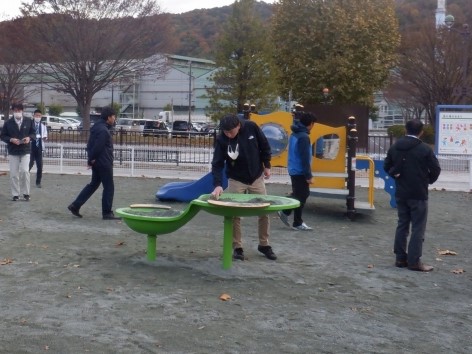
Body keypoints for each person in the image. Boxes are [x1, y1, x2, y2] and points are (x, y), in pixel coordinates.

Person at [211, 113, 276, 261]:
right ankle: (237, 247)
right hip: (236, 179)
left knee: (264, 210)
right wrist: (218, 185)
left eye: (231, 132)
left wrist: (267, 165)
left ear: (238, 126)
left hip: (256, 177)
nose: (228, 134)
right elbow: (217, 163)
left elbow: (264, 145)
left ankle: (264, 244)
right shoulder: (222, 139)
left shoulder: (251, 127)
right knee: (234, 213)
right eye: (225, 132)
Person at [383, 119, 441, 272]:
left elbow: (386, 166)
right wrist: (427, 180)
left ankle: (400, 258)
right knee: (418, 227)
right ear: (421, 132)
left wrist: (395, 175)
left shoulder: (395, 146)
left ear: (405, 130)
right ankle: (414, 261)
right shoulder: (424, 149)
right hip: (418, 192)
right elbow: (435, 169)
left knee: (402, 224)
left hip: (401, 190)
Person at [67, 107, 120, 220]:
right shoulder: (104, 130)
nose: (114, 119)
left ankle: (75, 205)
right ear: (109, 117)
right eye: (114, 116)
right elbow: (98, 147)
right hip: (104, 162)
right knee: (109, 187)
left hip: (97, 162)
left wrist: (90, 160)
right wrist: (92, 158)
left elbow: (90, 145)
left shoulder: (96, 127)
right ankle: (107, 213)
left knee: (93, 184)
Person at [278, 112, 317, 231]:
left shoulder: (295, 134)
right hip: (299, 170)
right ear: (310, 124)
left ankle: (291, 215)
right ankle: (291, 217)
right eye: (313, 124)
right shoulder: (304, 137)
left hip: (294, 168)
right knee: (302, 195)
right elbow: (304, 157)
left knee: (300, 194)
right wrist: (308, 175)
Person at [0, 103, 36, 201]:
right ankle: (15, 194)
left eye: (19, 110)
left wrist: (29, 138)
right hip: (13, 150)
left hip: (25, 150)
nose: (17, 112)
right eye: (15, 110)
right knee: (14, 174)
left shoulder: (29, 121)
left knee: (25, 171)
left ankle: (26, 193)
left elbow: (33, 133)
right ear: (12, 111)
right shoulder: (8, 123)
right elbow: (3, 136)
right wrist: (11, 139)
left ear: (22, 111)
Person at [29, 109, 48, 188]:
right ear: (33, 116)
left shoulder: (43, 126)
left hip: (39, 148)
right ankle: (24, 179)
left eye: (39, 116)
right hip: (30, 148)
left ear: (41, 117)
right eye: (36, 115)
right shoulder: (30, 125)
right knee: (29, 165)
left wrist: (44, 138)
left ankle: (38, 182)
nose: (38, 117)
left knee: (40, 166)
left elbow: (45, 136)